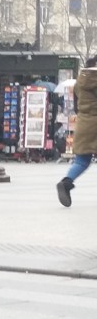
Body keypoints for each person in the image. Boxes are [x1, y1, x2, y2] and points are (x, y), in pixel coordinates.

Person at [57, 56, 97, 207]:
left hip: (84, 123)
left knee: (82, 160)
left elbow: (76, 107)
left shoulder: (79, 82)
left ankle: (66, 183)